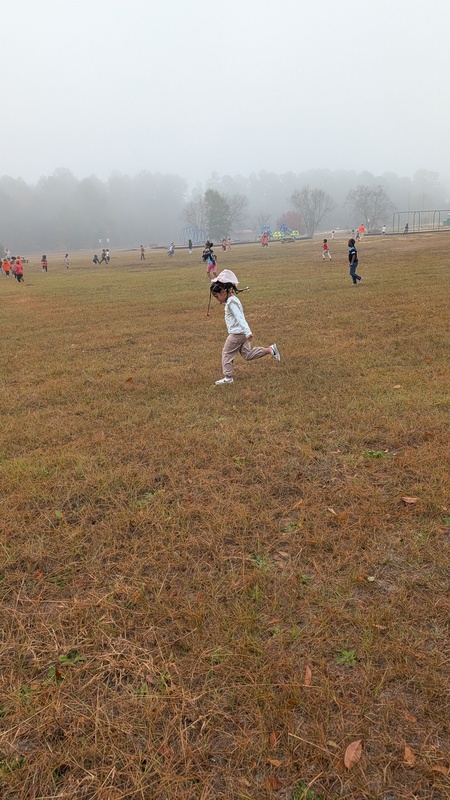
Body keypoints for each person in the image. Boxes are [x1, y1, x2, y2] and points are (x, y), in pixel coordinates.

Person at [210, 269, 281, 385]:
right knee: (247, 355)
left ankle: (228, 377)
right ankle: (270, 350)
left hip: (237, 334)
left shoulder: (231, 303)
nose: (218, 301)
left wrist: (248, 332)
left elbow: (240, 318)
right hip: (242, 333)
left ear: (223, 292)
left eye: (217, 297)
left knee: (227, 353)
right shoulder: (233, 300)